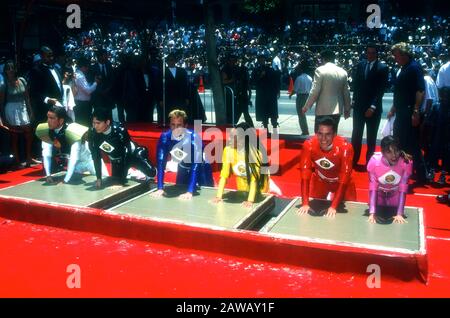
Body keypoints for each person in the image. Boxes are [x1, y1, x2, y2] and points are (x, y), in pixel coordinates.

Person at [298, 116, 356, 218]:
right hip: (321, 181)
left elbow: (344, 179)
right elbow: (305, 175)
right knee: (314, 209)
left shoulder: (345, 148)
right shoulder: (309, 145)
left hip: (343, 184)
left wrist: (333, 206)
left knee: (351, 213)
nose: (323, 138)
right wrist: (305, 203)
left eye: (328, 134)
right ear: (316, 133)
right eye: (320, 134)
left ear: (334, 134)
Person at [151, 109, 213, 200]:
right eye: (173, 124)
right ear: (169, 125)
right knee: (179, 190)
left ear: (185, 126)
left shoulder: (194, 138)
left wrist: (190, 191)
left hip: (201, 167)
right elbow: (161, 163)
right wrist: (160, 188)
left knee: (207, 196)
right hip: (183, 166)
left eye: (179, 125)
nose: (175, 128)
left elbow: (196, 165)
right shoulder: (165, 137)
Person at [88, 107, 157, 188]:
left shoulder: (120, 131)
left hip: (133, 154)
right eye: (93, 123)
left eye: (98, 123)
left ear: (107, 122)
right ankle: (129, 172)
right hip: (116, 160)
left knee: (151, 173)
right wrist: (98, 178)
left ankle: (133, 170)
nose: (95, 126)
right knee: (114, 179)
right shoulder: (93, 134)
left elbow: (126, 154)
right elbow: (96, 157)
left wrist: (121, 181)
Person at [388, 42, 426, 185]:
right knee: (403, 142)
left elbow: (420, 90)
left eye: (396, 55)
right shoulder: (404, 68)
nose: (395, 58)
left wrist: (415, 111)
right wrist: (394, 108)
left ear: (403, 54)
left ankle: (420, 174)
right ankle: (407, 171)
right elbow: (400, 93)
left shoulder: (414, 68)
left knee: (411, 144)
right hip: (402, 110)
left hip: (409, 111)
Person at [36, 106, 101, 184]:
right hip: (77, 166)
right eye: (48, 117)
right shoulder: (45, 130)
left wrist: (65, 180)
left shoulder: (72, 130)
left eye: (52, 118)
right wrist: (48, 175)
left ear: (61, 120)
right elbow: (46, 154)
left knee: (106, 180)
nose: (48, 121)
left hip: (90, 160)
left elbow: (74, 157)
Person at [212, 122, 269, 208]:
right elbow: (224, 175)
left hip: (260, 189)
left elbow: (254, 180)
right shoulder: (228, 151)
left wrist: (250, 200)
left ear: (242, 140)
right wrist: (219, 196)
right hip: (241, 184)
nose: (229, 139)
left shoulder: (255, 154)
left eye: (233, 137)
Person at [351, 44, 389, 167]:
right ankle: (353, 160)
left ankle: (369, 162)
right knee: (356, 135)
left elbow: (381, 90)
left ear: (377, 54)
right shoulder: (361, 65)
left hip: (373, 109)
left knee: (371, 138)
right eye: (368, 52)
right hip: (359, 107)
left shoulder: (382, 68)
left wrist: (372, 107)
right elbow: (356, 85)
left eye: (373, 52)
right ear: (366, 53)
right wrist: (353, 100)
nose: (370, 55)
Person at [302, 50, 351, 133]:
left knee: (320, 136)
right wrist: (347, 109)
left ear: (323, 59)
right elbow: (346, 93)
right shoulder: (343, 72)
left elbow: (315, 91)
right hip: (337, 110)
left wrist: (306, 106)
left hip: (323, 110)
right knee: (332, 135)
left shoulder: (320, 70)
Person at [367, 136, 412, 224]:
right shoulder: (374, 162)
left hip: (395, 199)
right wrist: (372, 212)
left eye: (396, 151)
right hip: (379, 199)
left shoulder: (406, 163)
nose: (394, 155)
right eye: (389, 152)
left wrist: (399, 213)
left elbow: (403, 188)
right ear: (382, 152)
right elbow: (373, 187)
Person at [0, 60, 35, 167]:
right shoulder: (3, 84)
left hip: (23, 107)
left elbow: (27, 98)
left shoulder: (22, 80)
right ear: (5, 71)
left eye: (11, 68)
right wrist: (3, 117)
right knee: (14, 135)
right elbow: (1, 103)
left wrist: (30, 111)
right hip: (11, 109)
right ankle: (17, 161)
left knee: (28, 132)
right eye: (8, 68)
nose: (10, 70)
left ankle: (29, 158)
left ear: (15, 69)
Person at [252, 53, 280, 130]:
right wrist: (260, 76)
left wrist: (278, 91)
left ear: (265, 60)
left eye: (263, 59)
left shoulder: (271, 69)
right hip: (261, 94)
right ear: (258, 61)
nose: (261, 61)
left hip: (271, 94)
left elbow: (276, 81)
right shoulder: (255, 70)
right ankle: (265, 129)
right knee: (264, 113)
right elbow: (253, 82)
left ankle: (274, 127)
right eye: (260, 60)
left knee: (273, 112)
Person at [73, 57, 98, 126]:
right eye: (87, 67)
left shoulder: (76, 74)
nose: (88, 69)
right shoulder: (80, 76)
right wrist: (96, 82)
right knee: (84, 123)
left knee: (80, 123)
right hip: (82, 104)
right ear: (83, 67)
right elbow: (88, 90)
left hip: (79, 103)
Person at [289, 61, 311, 135]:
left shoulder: (299, 78)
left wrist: (291, 94)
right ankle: (305, 130)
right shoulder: (310, 78)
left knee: (301, 115)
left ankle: (305, 131)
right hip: (307, 96)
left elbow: (295, 90)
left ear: (301, 70)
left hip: (301, 97)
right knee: (303, 114)